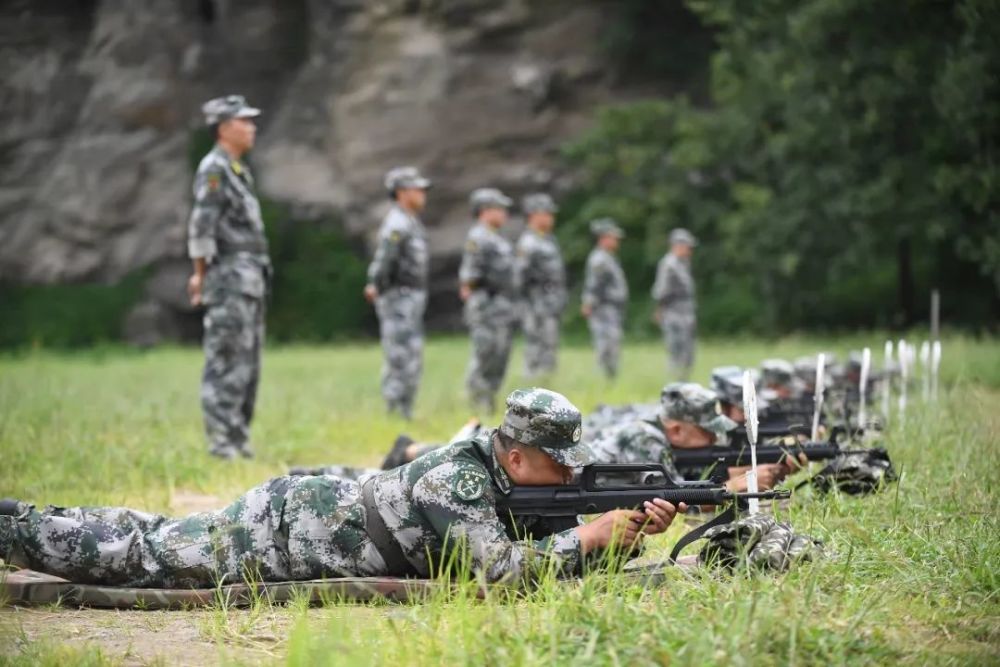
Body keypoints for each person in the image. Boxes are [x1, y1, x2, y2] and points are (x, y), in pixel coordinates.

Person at [0, 389, 683, 587]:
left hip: (318, 518)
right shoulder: (458, 475)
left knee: (148, 529)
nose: (570, 474)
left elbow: (531, 534)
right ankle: (15, 527)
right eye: (559, 461)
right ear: (520, 451)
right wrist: (589, 534)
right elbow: (498, 571)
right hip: (291, 532)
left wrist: (620, 532)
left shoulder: (500, 472)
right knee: (144, 554)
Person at [186, 95, 271, 460]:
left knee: (247, 361)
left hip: (248, 279)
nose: (251, 126)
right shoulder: (214, 168)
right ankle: (222, 444)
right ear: (223, 128)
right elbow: (202, 227)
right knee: (226, 359)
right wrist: (199, 275)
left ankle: (238, 439)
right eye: (243, 121)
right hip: (229, 278)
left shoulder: (236, 169)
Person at [588, 383, 796, 491]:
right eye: (707, 431)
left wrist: (755, 470)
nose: (714, 439)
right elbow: (673, 497)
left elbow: (690, 479)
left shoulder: (659, 433)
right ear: (676, 430)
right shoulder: (644, 438)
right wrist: (738, 485)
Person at [363, 166, 432, 419]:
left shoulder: (409, 221)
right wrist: (376, 285)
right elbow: (384, 260)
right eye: (417, 189)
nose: (423, 194)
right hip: (398, 297)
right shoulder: (397, 224)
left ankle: (405, 409)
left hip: (411, 297)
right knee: (399, 354)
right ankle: (395, 410)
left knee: (411, 352)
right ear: (402, 192)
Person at [459, 188, 518, 413]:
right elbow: (470, 276)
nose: (504, 214)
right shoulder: (478, 237)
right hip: (487, 304)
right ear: (485, 211)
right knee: (485, 353)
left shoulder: (496, 238)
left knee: (499, 355)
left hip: (502, 306)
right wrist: (477, 296)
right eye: (500, 209)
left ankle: (489, 400)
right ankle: (476, 402)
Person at [516, 193, 567, 378]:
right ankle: (532, 387)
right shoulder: (529, 242)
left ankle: (547, 386)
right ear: (533, 215)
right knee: (536, 346)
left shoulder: (548, 240)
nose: (550, 217)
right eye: (546, 213)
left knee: (549, 346)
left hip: (549, 304)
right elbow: (520, 277)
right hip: (535, 304)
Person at [581, 218, 628, 379]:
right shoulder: (599, 259)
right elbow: (594, 285)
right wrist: (588, 303)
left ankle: (609, 378)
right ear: (603, 238)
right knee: (605, 345)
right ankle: (601, 378)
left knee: (612, 344)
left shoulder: (608, 257)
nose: (616, 241)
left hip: (611, 309)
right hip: (603, 309)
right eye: (613, 237)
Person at [652, 228, 698, 380]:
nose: (689, 250)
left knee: (688, 353)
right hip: (674, 314)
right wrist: (660, 310)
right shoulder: (669, 264)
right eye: (687, 246)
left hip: (685, 314)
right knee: (677, 351)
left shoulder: (683, 264)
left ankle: (683, 382)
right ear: (677, 245)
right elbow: (662, 291)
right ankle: (675, 385)